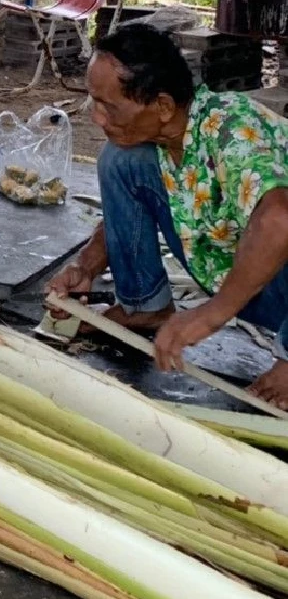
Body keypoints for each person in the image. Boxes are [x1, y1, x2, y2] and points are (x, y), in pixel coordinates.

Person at [48, 22, 288, 407]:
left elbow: (280, 221)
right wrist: (87, 267)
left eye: (109, 105)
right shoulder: (167, 137)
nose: (97, 117)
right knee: (121, 161)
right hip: (252, 282)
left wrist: (211, 314)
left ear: (162, 106)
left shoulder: (231, 130)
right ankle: (145, 306)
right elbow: (123, 214)